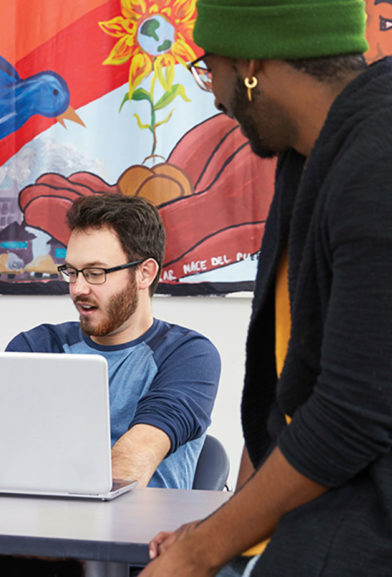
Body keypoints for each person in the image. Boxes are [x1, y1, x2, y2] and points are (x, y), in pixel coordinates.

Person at [142, 1, 392, 576]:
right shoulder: (309, 154)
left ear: (250, 64)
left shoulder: (377, 162)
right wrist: (228, 529)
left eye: (212, 69)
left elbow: (350, 417)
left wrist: (200, 554)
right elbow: (290, 391)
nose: (213, 96)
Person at [0, 193, 221, 577]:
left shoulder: (188, 354)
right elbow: (2, 459)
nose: (78, 289)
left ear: (144, 273)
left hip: (133, 553)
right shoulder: (36, 345)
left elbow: (136, 458)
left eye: (96, 273)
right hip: (33, 539)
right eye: (72, 272)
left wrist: (56, 531)